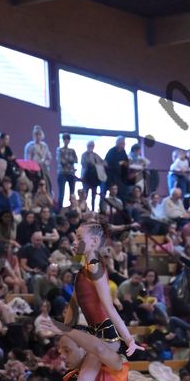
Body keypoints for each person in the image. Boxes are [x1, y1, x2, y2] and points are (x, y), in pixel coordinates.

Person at [66, 216, 140, 356]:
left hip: (105, 334)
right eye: (75, 238)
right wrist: (65, 330)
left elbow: (109, 306)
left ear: (94, 241)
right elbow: (74, 302)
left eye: (79, 238)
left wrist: (129, 339)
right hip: (93, 333)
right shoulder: (85, 269)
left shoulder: (95, 267)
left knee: (86, 371)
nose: (74, 242)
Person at [80, 140, 107, 210]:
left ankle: (93, 209)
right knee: (85, 195)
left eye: (92, 146)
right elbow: (84, 163)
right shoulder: (84, 155)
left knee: (94, 196)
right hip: (86, 178)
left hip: (94, 179)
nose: (91, 147)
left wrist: (98, 164)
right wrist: (94, 163)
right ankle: (84, 209)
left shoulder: (95, 155)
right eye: (90, 146)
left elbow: (104, 163)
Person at [56, 132, 78, 208]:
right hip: (62, 173)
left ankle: (73, 209)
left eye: (67, 139)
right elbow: (61, 161)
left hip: (71, 173)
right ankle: (60, 210)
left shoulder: (72, 150)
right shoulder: (59, 149)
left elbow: (75, 160)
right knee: (61, 194)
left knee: (72, 193)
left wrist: (67, 160)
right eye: (65, 139)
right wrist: (69, 161)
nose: (66, 141)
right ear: (63, 140)